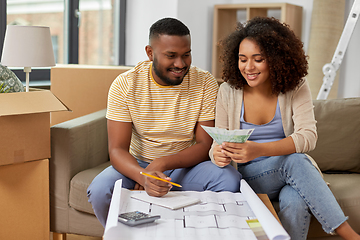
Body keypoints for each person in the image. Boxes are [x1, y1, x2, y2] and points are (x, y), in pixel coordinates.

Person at [209, 17, 360, 240]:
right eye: (242, 59)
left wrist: (259, 149)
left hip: (290, 173)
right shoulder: (228, 91)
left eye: (258, 59)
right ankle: (350, 235)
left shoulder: (295, 86)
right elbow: (215, 146)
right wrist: (219, 155)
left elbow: (308, 137)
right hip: (249, 176)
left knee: (296, 201)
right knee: (295, 160)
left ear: (276, 59)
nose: (248, 67)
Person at [87, 17, 241, 227]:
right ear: (150, 53)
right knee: (99, 190)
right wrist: (143, 177)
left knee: (229, 180)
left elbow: (205, 145)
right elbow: (117, 150)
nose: (180, 64)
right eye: (171, 56)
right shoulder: (125, 84)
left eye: (186, 55)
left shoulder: (205, 82)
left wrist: (161, 164)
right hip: (138, 164)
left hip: (185, 166)